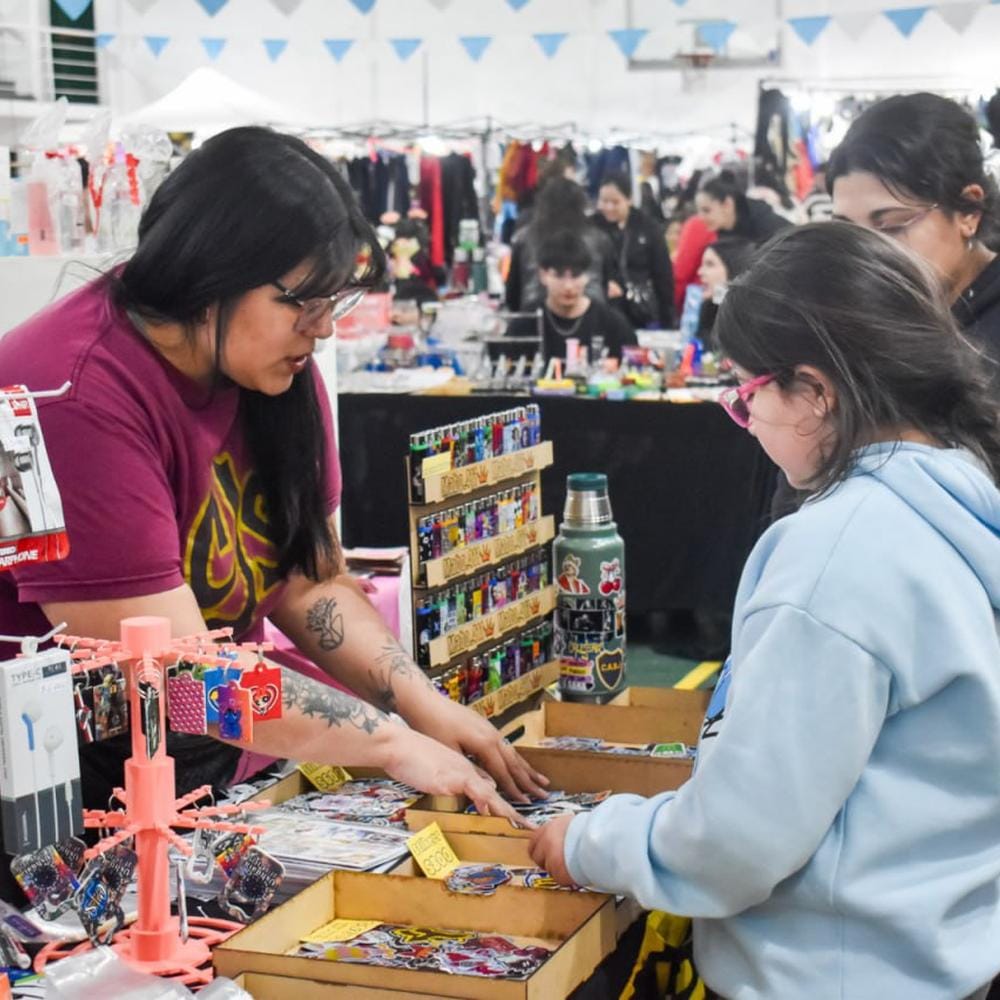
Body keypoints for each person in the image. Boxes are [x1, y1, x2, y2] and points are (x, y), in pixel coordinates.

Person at [0, 128, 546, 892]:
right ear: (212, 273)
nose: (323, 328)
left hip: (195, 759)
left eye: (335, 299)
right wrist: (388, 741)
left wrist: (426, 707)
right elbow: (179, 674)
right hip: (57, 795)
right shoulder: (66, 393)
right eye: (306, 301)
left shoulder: (271, 372)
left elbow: (309, 580)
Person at [530, 222, 1000, 1000]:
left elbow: (737, 842)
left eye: (747, 395)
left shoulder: (839, 553)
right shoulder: (959, 503)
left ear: (816, 392)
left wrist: (591, 840)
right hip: (936, 957)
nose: (744, 423)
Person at [828, 92, 1000, 370]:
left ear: (969, 211)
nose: (864, 253)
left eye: (890, 226)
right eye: (848, 231)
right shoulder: (889, 312)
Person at [505, 230, 636, 363]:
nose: (568, 286)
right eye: (559, 275)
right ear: (543, 275)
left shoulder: (614, 325)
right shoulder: (524, 324)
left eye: (576, 275)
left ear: (587, 276)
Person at [504, 177, 617, 314]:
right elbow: (605, 286)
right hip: (591, 317)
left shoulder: (524, 238)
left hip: (535, 317)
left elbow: (512, 295)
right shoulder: (599, 239)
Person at [592, 173, 675, 329]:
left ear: (629, 199)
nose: (609, 207)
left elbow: (663, 275)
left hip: (641, 311)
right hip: (602, 309)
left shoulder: (648, 227)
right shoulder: (591, 227)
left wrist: (668, 318)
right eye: (604, 201)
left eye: (615, 202)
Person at [695, 171, 792, 246]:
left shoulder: (766, 223)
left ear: (727, 204)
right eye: (698, 211)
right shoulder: (724, 235)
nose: (701, 217)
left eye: (706, 210)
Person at [694, 236, 754, 350]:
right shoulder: (709, 307)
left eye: (710, 264)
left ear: (734, 269)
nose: (700, 272)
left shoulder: (749, 318)